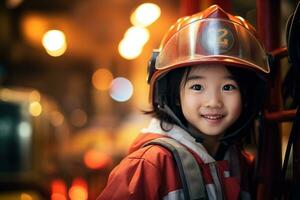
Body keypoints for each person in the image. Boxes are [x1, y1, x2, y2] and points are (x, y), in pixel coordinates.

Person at [97, 4, 269, 200]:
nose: (213, 102)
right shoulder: (149, 165)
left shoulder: (239, 161)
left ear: (247, 96)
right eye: (197, 87)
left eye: (228, 87)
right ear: (173, 95)